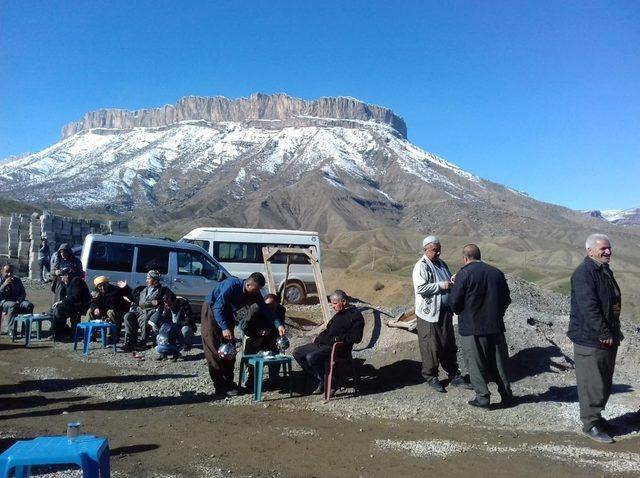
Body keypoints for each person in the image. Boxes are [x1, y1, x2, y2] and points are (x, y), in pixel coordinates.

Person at [567, 233, 622, 444]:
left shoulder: (603, 270)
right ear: (590, 251)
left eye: (609, 248)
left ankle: (597, 418)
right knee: (592, 382)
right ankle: (590, 424)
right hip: (590, 338)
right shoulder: (584, 273)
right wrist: (603, 332)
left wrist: (614, 329)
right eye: (603, 248)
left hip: (606, 336)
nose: (608, 251)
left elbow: (610, 305)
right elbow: (588, 307)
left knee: (603, 380)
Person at [449, 244, 513, 409]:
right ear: (479, 256)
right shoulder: (496, 273)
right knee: (500, 364)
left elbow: (454, 303)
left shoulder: (463, 274)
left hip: (472, 329)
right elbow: (506, 299)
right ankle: (507, 395)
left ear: (465, 258)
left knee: (475, 364)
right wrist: (497, 314)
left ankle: (483, 398)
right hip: (495, 326)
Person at [201, 272, 286, 397]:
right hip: (212, 312)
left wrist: (278, 324)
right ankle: (219, 386)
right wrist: (224, 328)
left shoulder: (255, 293)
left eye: (259, 290)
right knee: (214, 350)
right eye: (255, 289)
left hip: (228, 314)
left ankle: (229, 383)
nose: (256, 292)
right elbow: (218, 307)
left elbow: (265, 309)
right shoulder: (231, 285)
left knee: (229, 349)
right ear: (248, 284)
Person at [412, 235, 468, 393]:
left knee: (448, 343)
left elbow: (447, 281)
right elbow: (420, 288)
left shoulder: (442, 264)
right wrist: (442, 285)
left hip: (445, 312)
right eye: (434, 250)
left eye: (439, 250)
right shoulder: (421, 266)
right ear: (425, 250)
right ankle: (431, 376)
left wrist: (451, 280)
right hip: (428, 314)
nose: (437, 253)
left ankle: (454, 374)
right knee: (431, 345)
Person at [293, 289, 364, 395]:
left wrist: (337, 339)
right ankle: (321, 379)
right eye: (332, 304)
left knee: (311, 357)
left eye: (335, 304)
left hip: (337, 349)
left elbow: (356, 337)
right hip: (322, 344)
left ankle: (333, 382)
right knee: (297, 352)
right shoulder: (338, 314)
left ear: (343, 302)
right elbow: (328, 331)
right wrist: (318, 338)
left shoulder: (355, 316)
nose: (333, 306)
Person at [242, 293, 286, 388]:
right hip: (255, 336)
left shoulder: (281, 310)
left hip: (271, 337)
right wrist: (259, 333)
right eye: (268, 306)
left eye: (272, 305)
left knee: (276, 347)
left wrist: (270, 332)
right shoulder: (254, 310)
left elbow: (280, 328)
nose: (270, 308)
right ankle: (251, 377)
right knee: (251, 346)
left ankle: (274, 377)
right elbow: (246, 329)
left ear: (277, 304)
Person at [121, 270, 167, 351]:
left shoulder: (162, 290)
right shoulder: (144, 289)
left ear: (155, 280)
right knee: (128, 316)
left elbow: (168, 301)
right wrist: (126, 288)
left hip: (151, 311)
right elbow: (135, 299)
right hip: (139, 310)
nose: (146, 280)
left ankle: (143, 342)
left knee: (144, 318)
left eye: (149, 278)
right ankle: (131, 341)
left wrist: (159, 302)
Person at [87, 276, 133, 343]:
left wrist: (125, 287)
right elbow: (92, 302)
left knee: (111, 312)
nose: (102, 287)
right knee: (90, 311)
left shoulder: (115, 290)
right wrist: (95, 308)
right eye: (100, 286)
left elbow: (114, 304)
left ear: (107, 284)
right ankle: (91, 335)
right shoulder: (96, 291)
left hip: (118, 310)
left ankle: (112, 336)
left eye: (104, 285)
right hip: (105, 310)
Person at [51, 267, 91, 340]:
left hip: (80, 306)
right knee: (52, 311)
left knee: (59, 310)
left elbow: (75, 296)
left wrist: (61, 302)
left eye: (62, 276)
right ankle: (59, 332)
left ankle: (59, 334)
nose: (61, 278)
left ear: (67, 275)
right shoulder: (67, 283)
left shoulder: (76, 281)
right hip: (73, 305)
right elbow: (61, 294)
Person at [157, 290, 196, 354]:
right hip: (172, 327)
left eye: (169, 304)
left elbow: (188, 320)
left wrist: (176, 325)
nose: (168, 306)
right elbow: (164, 319)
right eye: (166, 304)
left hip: (181, 326)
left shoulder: (185, 306)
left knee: (186, 329)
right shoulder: (167, 306)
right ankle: (166, 348)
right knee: (159, 328)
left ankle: (185, 345)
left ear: (175, 300)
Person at [0, 264, 34, 338]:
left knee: (29, 305)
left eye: (11, 272)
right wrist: (4, 285)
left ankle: (25, 331)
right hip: (3, 303)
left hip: (17, 301)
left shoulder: (17, 280)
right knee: (13, 305)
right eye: (7, 272)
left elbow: (23, 293)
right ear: (2, 271)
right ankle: (12, 331)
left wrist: (19, 300)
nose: (9, 274)